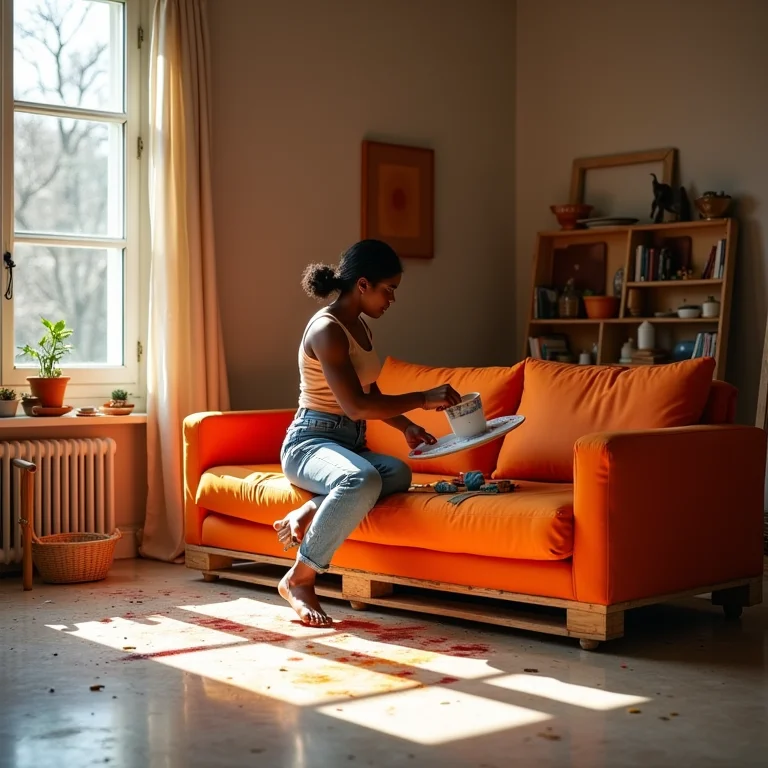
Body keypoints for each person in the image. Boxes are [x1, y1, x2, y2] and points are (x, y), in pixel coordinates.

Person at [273, 239, 461, 627]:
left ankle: (312, 507)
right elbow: (355, 406)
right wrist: (423, 398)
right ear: (362, 284)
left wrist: (407, 426)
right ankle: (300, 578)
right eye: (387, 289)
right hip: (310, 443)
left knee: (398, 472)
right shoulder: (328, 330)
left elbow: (368, 390)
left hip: (348, 443)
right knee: (362, 477)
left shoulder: (360, 326)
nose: (391, 299)